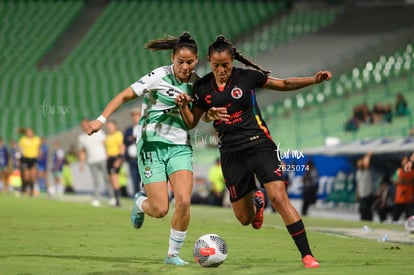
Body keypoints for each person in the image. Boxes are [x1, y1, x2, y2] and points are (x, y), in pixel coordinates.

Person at [176, 35, 332, 268]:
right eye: (216, 66)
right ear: (209, 61)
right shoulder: (201, 88)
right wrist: (187, 109)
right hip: (230, 153)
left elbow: (284, 84)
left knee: (279, 198)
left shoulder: (246, 77)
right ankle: (256, 202)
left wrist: (313, 80)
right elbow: (192, 122)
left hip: (259, 144)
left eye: (226, 66)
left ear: (232, 62)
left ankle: (307, 255)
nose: (221, 70)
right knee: (244, 218)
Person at [86, 32, 201, 265]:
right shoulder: (158, 75)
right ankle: (139, 202)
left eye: (190, 62)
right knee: (159, 210)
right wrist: (101, 119)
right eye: (180, 61)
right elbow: (125, 95)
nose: (185, 66)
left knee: (184, 201)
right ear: (173, 57)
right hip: (151, 146)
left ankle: (173, 255)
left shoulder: (198, 83)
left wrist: (213, 115)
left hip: (180, 147)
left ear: (196, 60)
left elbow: (199, 118)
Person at [78, 118, 115, 207]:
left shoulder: (98, 132)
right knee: (95, 181)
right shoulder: (82, 138)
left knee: (106, 178)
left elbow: (105, 143)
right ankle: (97, 198)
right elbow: (82, 152)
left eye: (85, 124)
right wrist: (81, 163)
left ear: (89, 124)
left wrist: (108, 154)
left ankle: (112, 197)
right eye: (82, 125)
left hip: (102, 158)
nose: (84, 127)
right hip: (91, 161)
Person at [104, 119, 124, 207]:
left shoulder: (118, 134)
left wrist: (119, 160)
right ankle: (114, 198)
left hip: (116, 158)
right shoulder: (108, 136)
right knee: (111, 179)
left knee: (115, 179)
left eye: (111, 125)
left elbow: (121, 147)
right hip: (109, 159)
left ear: (115, 126)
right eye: (108, 126)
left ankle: (118, 200)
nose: (109, 127)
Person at [18, 127, 41, 196]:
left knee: (33, 176)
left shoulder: (37, 139)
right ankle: (24, 187)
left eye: (30, 132)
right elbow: (20, 150)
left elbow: (39, 148)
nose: (29, 133)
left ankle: (32, 190)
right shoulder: (23, 140)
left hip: (34, 159)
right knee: (26, 176)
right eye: (28, 132)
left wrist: (39, 155)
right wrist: (19, 159)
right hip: (25, 159)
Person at [123, 107, 142, 195]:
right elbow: (124, 143)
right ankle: (137, 199)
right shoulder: (128, 130)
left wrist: (135, 139)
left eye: (136, 115)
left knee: (145, 180)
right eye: (133, 115)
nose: (135, 117)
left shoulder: (143, 128)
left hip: (142, 158)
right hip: (132, 159)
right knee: (134, 180)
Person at [392, 156, 414, 222]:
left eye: (407, 162)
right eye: (404, 162)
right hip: (399, 198)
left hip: (409, 199)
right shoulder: (398, 171)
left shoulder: (412, 172)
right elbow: (394, 181)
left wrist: (403, 181)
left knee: (409, 219)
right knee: (395, 218)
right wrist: (399, 181)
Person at [355, 152, 376, 221]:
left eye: (361, 163)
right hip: (362, 194)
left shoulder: (367, 171)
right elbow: (358, 184)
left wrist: (368, 156)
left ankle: (369, 221)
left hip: (368, 194)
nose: (359, 164)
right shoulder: (358, 172)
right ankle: (363, 221)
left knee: (368, 210)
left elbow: (367, 164)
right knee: (362, 210)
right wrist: (357, 194)